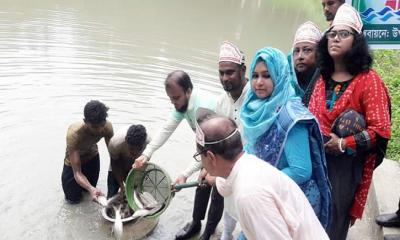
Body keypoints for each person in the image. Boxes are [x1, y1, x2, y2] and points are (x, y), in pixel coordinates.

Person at [308, 4, 391, 240]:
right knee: (310, 216)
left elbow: (381, 130)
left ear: (356, 41)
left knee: (334, 220)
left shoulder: (369, 80)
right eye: (332, 34)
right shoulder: (323, 77)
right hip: (317, 158)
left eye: (343, 34)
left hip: (345, 166)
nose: (335, 39)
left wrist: (343, 144)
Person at [194, 111, 329, 240]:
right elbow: (228, 184)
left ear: (211, 157)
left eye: (199, 155)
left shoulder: (249, 195)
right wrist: (215, 179)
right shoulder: (250, 163)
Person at [240, 47, 331, 231]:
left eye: (266, 75)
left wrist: (259, 181)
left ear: (280, 75)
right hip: (266, 195)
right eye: (255, 75)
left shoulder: (290, 116)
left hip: (289, 201)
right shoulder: (253, 107)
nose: (258, 82)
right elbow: (252, 147)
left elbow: (300, 171)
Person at [132, 70, 217, 240]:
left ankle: (208, 231)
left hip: (221, 150)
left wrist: (206, 170)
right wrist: (146, 154)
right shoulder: (183, 105)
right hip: (207, 148)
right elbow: (166, 129)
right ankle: (195, 223)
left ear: (188, 91)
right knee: (202, 185)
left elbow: (213, 146)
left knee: (218, 190)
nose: (174, 103)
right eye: (171, 99)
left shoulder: (204, 110)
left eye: (176, 98)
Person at [61, 100, 114, 203]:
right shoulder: (74, 133)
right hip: (72, 164)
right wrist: (91, 189)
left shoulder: (107, 127)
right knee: (73, 201)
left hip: (92, 158)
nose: (99, 130)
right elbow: (77, 172)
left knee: (90, 193)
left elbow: (114, 155)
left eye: (102, 125)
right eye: (94, 127)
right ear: (85, 121)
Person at [107, 124, 149, 197]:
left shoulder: (149, 144)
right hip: (118, 162)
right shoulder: (115, 143)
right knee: (111, 195)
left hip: (136, 164)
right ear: (126, 140)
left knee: (135, 195)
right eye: (131, 149)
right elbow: (114, 164)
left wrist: (133, 184)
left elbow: (142, 167)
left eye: (138, 149)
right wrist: (121, 185)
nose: (135, 152)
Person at [292, 21, 322, 107]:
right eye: (296, 51)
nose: (300, 56)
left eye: (307, 50)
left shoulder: (326, 84)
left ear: (318, 54)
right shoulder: (286, 85)